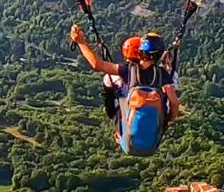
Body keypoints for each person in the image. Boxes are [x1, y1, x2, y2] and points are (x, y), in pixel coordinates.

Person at [71, 25, 179, 155]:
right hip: (151, 147)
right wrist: (167, 121)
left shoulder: (128, 70)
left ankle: (119, 133)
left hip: (127, 143)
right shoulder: (163, 74)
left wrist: (81, 42)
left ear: (140, 52)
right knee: (163, 100)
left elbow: (97, 64)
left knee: (114, 91)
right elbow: (174, 102)